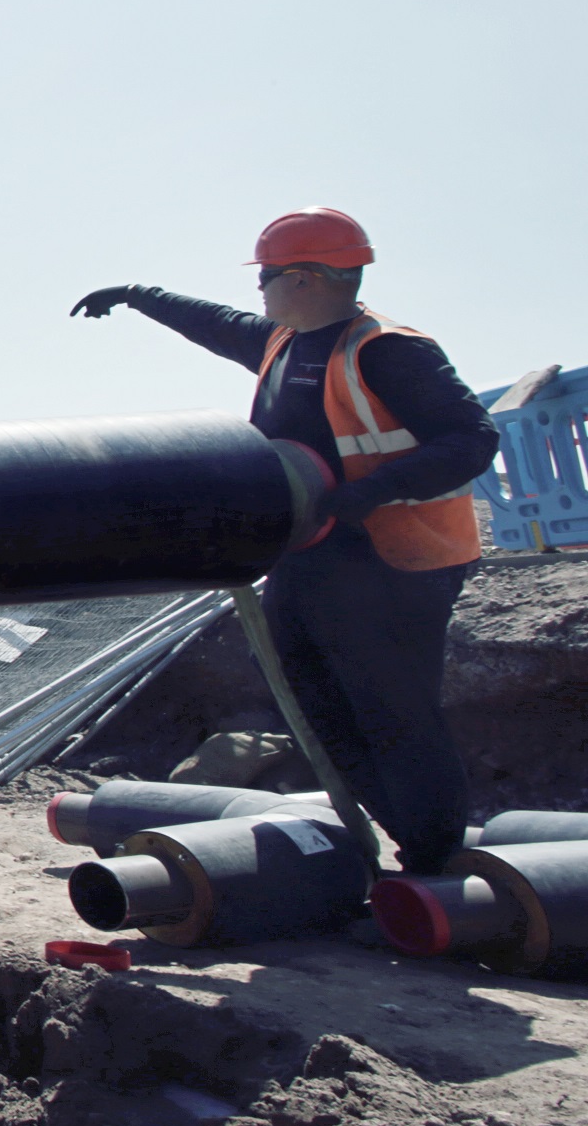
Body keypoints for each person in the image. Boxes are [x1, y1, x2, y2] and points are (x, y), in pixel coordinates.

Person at [72, 208, 497, 873]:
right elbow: (215, 323)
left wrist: (365, 494)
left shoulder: (387, 350)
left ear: (305, 278)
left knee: (395, 711)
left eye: (266, 276)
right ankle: (412, 840)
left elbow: (472, 439)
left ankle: (436, 860)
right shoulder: (283, 341)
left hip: (395, 563)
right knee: (315, 706)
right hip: (312, 558)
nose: (259, 289)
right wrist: (136, 296)